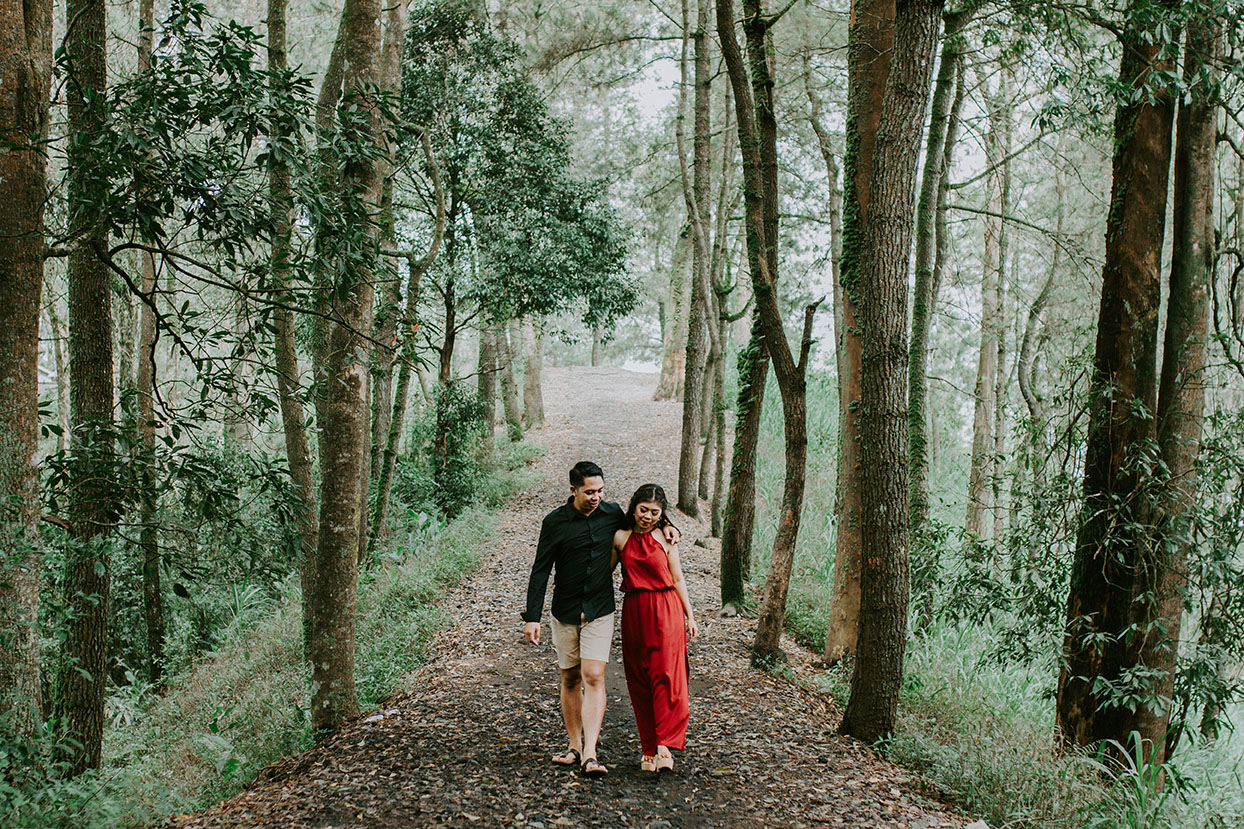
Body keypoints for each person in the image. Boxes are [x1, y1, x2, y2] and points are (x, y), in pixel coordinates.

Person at [522, 462, 679, 777]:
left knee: (593, 675)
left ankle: (591, 752)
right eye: (590, 492)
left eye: (600, 491)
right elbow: (540, 570)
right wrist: (532, 616)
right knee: (570, 678)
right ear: (574, 490)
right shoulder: (554, 522)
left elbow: (642, 523)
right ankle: (574, 746)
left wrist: (669, 526)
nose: (596, 497)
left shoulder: (612, 513)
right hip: (564, 609)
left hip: (599, 608)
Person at [611, 483, 698, 774]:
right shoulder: (621, 538)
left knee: (666, 676)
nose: (647, 516)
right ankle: (648, 747)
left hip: (666, 609)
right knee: (639, 678)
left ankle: (664, 745)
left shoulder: (665, 537)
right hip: (634, 610)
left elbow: (678, 579)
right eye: (643, 510)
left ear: (662, 515)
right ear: (634, 507)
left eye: (654, 512)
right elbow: (603, 573)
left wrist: (690, 616)